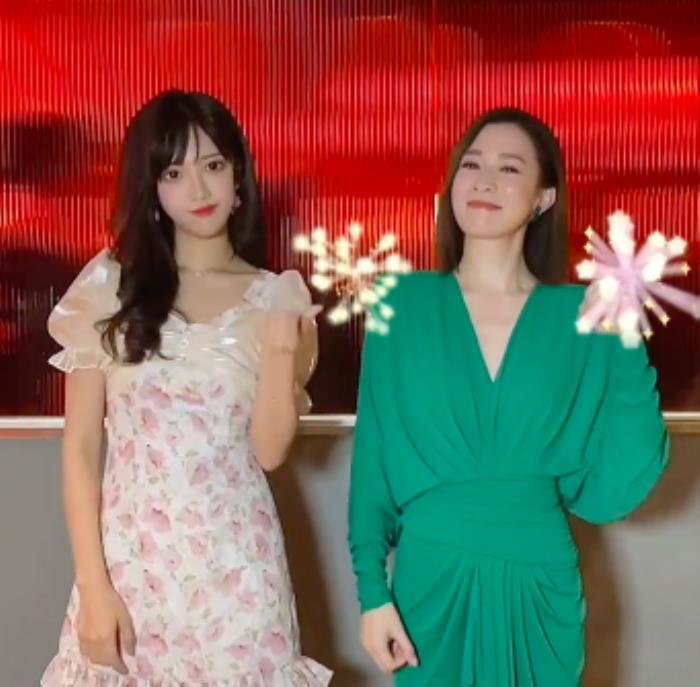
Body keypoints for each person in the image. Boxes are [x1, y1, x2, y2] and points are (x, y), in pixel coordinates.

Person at [348, 107, 669, 686]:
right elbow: (372, 461)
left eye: (510, 168)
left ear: (544, 197)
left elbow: (623, 477)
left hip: (539, 583)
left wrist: (626, 336)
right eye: (472, 165)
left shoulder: (582, 315)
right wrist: (372, 592)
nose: (485, 181)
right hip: (430, 584)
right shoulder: (398, 301)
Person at [41, 90, 331, 686]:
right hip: (131, 572)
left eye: (212, 165)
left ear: (238, 175)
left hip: (239, 574)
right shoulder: (108, 289)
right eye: (174, 173)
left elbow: (269, 452)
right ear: (152, 188)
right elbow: (81, 450)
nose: (198, 188)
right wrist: (93, 587)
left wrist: (282, 344)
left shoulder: (275, 295)